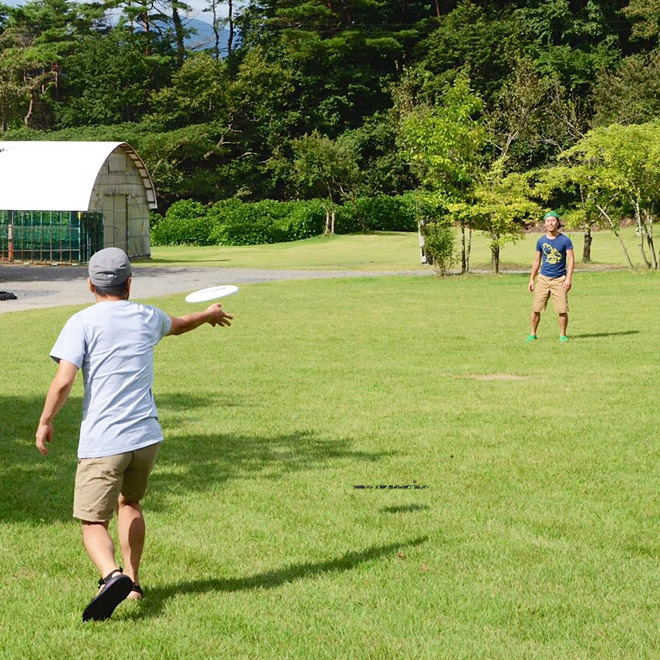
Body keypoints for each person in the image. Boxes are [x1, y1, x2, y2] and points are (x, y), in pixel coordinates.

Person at [35, 247, 233, 622]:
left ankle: (111, 577)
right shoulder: (147, 316)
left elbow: (64, 381)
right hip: (146, 436)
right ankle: (134, 583)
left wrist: (45, 420)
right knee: (130, 503)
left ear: (90, 284)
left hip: (104, 440)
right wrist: (208, 315)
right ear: (130, 283)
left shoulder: (82, 321)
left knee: (93, 521)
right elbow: (180, 323)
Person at [527, 211, 574, 343]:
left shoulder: (565, 240)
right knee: (536, 308)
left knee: (562, 309)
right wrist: (532, 279)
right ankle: (533, 334)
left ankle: (562, 335)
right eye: (548, 221)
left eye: (553, 220)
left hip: (559, 279)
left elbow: (571, 260)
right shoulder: (541, 241)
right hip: (543, 278)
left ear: (558, 222)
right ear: (545, 224)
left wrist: (569, 278)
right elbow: (537, 261)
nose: (551, 223)